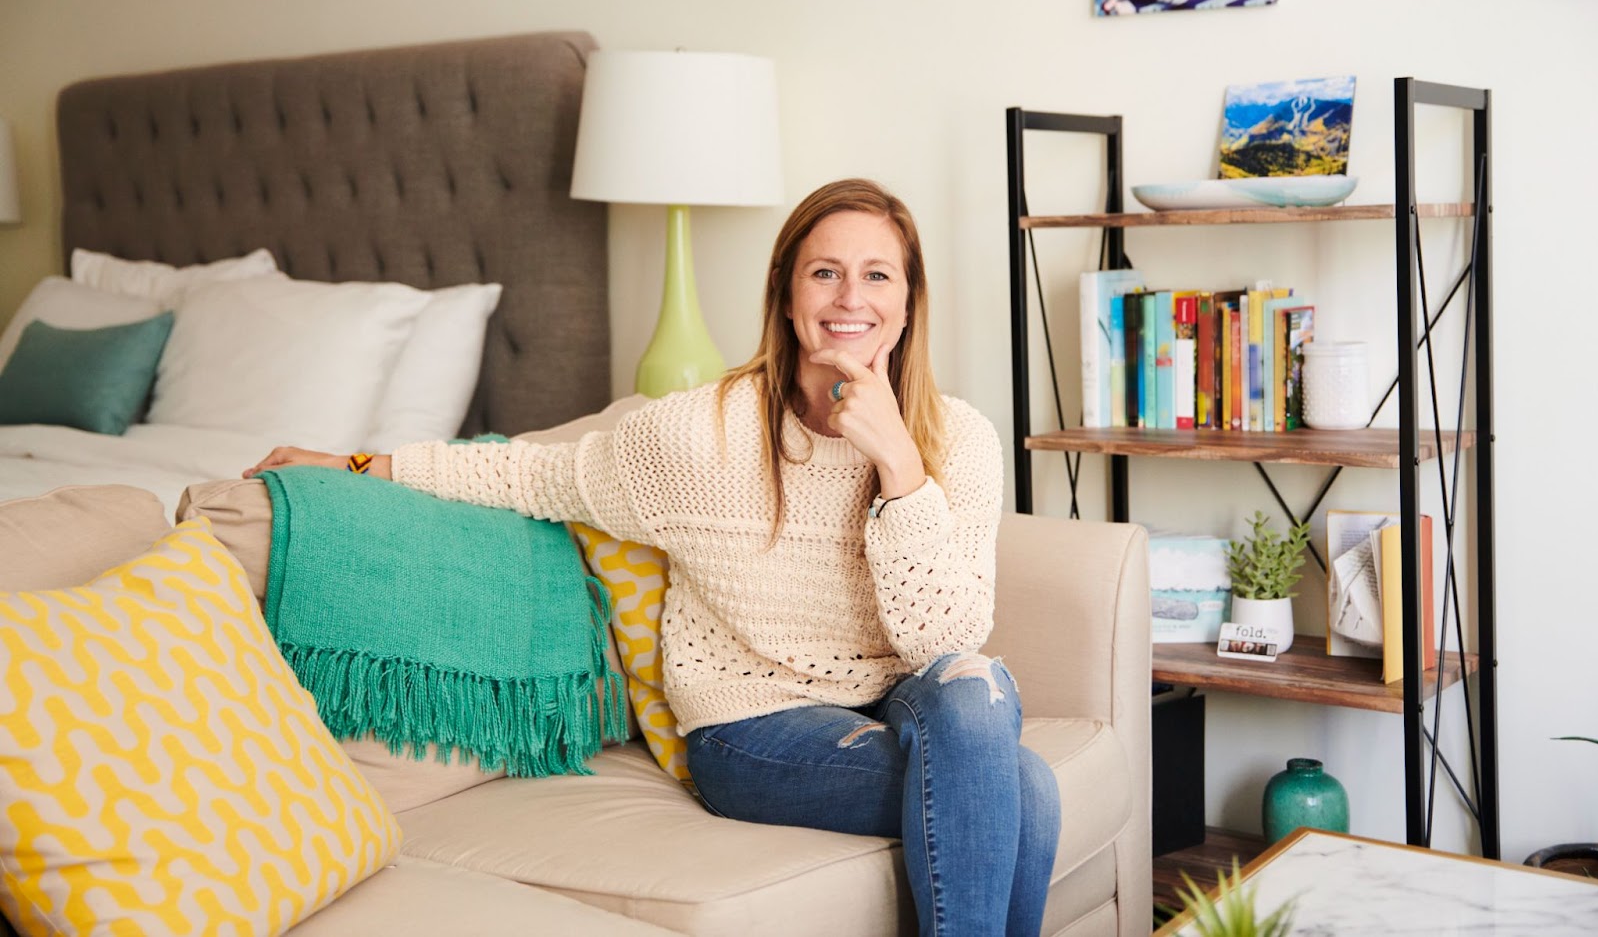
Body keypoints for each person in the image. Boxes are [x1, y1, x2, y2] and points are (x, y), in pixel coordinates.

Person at [245, 177, 1061, 935]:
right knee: (1021, 789)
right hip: (753, 731)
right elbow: (533, 474)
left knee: (981, 697)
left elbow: (940, 643)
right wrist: (351, 463)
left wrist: (900, 469)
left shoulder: (957, 440)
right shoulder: (696, 437)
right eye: (825, 273)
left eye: (879, 275)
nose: (852, 299)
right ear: (785, 292)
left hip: (896, 701)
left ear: (911, 300)